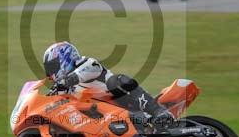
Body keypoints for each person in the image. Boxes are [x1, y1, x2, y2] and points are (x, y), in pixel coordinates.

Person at [43, 41, 174, 131]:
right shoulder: (64, 88)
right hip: (101, 119)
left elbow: (80, 74)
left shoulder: (87, 63)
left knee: (115, 81)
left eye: (53, 67)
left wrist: (64, 82)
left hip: (123, 104)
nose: (51, 73)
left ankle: (157, 110)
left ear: (64, 57)